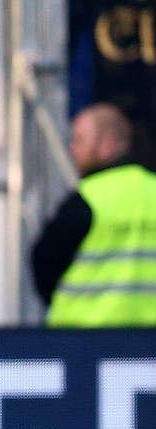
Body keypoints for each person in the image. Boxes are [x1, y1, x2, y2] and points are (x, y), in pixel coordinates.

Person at [31, 102, 156, 326]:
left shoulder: (88, 199)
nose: (72, 149)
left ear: (107, 144)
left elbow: (43, 263)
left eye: (79, 140)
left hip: (85, 342)